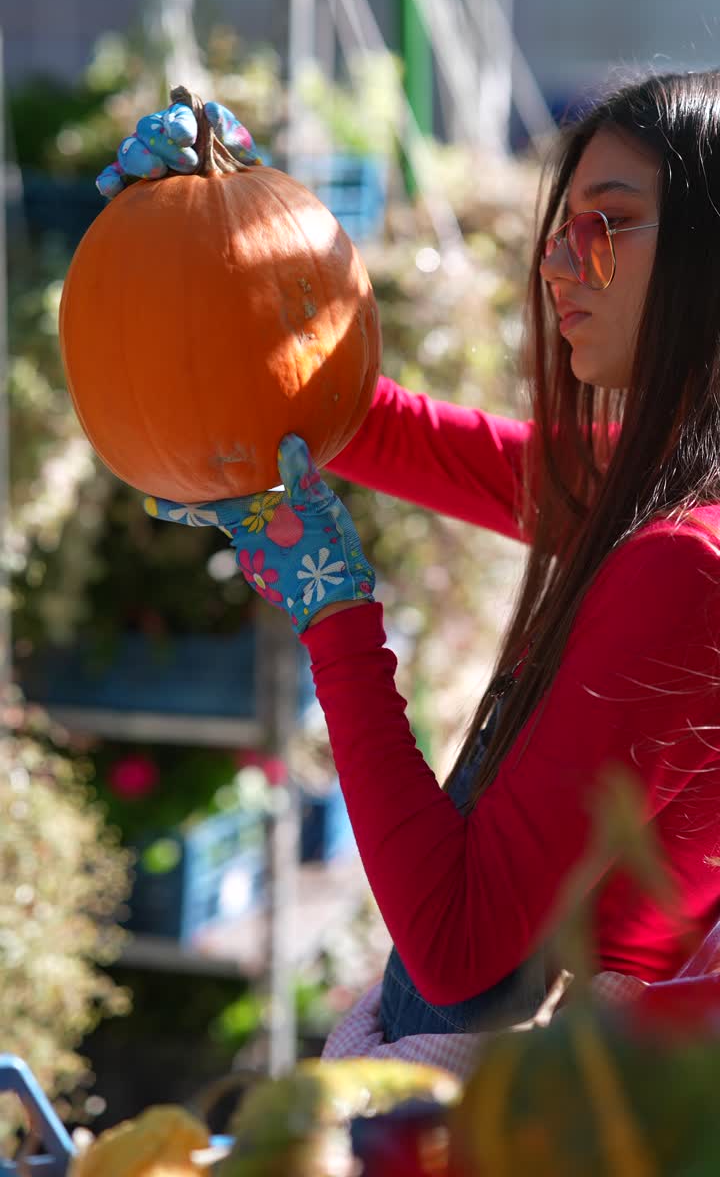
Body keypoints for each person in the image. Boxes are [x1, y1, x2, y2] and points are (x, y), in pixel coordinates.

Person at [98, 70, 720, 1070]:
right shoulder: (648, 484)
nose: (561, 263)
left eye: (611, 223)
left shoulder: (682, 565)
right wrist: (224, 232)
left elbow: (456, 945)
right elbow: (379, 424)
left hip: (535, 1103)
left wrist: (335, 614)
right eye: (563, 228)